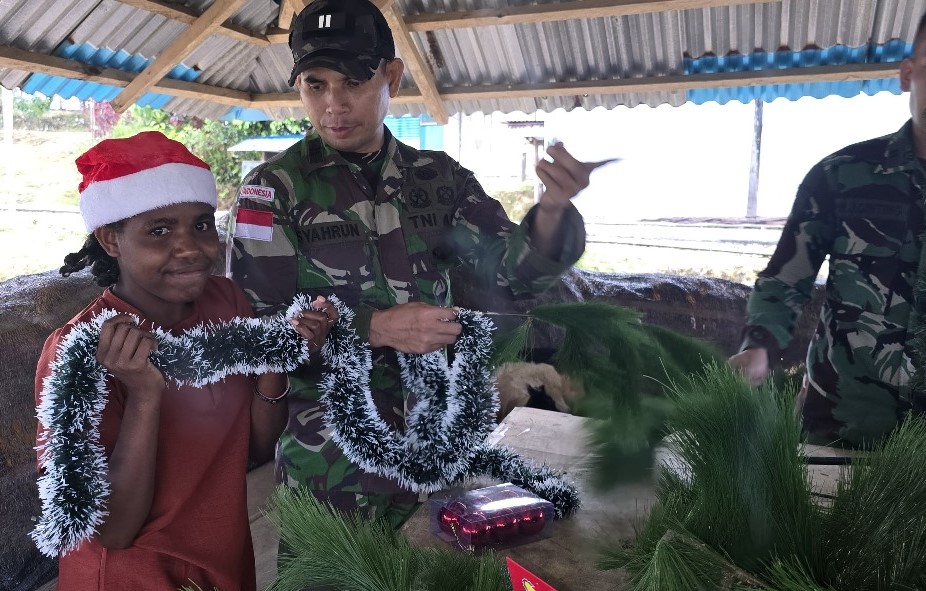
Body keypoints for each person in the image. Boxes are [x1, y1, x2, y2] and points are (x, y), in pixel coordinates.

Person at [227, 0, 605, 527]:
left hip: (439, 446)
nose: (333, 104)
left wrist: (553, 211)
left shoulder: (440, 180)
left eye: (354, 81)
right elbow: (257, 329)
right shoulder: (272, 191)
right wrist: (375, 328)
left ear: (392, 77)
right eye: (316, 84)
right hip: (333, 466)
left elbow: (512, 278)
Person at [35, 131, 336, 590]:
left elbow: (253, 451)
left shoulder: (226, 302)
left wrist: (279, 355)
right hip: (135, 576)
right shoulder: (81, 353)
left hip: (223, 558)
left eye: (200, 225)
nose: (192, 248)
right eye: (159, 230)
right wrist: (144, 394)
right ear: (110, 238)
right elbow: (113, 531)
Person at [728, 0, 926, 447]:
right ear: (908, 73)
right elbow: (785, 280)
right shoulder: (839, 174)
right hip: (836, 429)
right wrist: (758, 346)